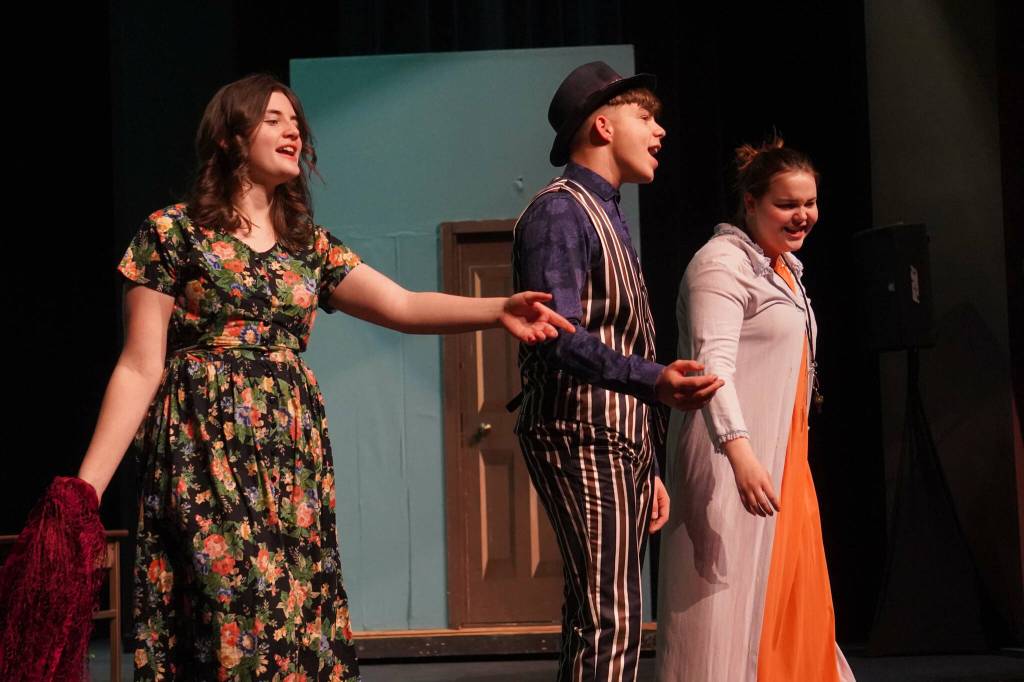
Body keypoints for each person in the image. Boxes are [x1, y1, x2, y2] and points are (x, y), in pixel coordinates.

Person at [75, 74, 575, 681]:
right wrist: (85, 493)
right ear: (232, 137)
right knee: (228, 605)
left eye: (296, 122)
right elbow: (138, 364)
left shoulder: (307, 245)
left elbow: (404, 306)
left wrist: (495, 309)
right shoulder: (172, 233)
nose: (293, 131)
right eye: (273, 119)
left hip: (290, 457)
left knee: (290, 612)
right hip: (204, 451)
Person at [511, 61, 723, 682]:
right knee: (612, 616)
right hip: (579, 432)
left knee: (602, 614)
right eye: (645, 116)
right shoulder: (561, 212)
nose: (660, 130)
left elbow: (612, 334)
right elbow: (558, 335)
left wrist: (647, 462)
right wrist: (655, 381)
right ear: (602, 126)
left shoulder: (606, 212)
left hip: (616, 438)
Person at [655, 138, 855, 681]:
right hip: (732, 460)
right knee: (726, 611)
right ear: (749, 202)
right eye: (786, 204)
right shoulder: (720, 265)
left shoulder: (784, 268)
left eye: (809, 203)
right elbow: (710, 368)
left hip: (783, 458)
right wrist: (740, 456)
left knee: (788, 599)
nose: (802, 216)